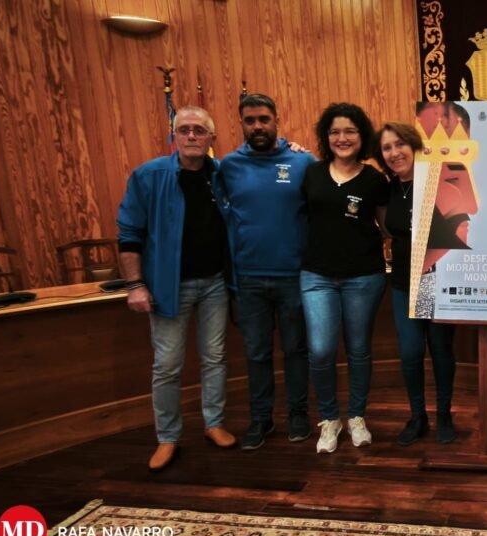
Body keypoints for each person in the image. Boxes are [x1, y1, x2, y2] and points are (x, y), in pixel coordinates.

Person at [116, 106, 236, 472]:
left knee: (214, 358)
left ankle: (214, 423)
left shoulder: (221, 175)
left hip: (215, 283)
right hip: (169, 287)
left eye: (199, 130)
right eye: (184, 130)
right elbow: (129, 233)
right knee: (167, 365)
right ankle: (167, 437)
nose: (191, 136)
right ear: (174, 136)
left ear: (212, 138)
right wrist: (135, 284)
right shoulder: (149, 176)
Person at [220, 94, 316, 450]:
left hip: (294, 276)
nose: (257, 126)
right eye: (250, 121)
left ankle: (298, 414)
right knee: (257, 354)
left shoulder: (303, 162)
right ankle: (261, 419)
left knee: (296, 350)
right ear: (241, 124)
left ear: (277, 120)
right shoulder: (227, 166)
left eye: (264, 119)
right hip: (248, 279)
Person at [301, 102, 389, 454]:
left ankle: (356, 416)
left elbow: (387, 227)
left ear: (361, 136)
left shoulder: (375, 179)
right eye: (335, 131)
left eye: (350, 131)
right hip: (316, 274)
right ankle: (329, 419)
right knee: (321, 350)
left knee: (358, 349)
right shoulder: (311, 173)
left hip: (363, 276)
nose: (342, 138)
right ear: (326, 137)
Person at [373, 122, 457, 445]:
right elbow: (387, 229)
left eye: (400, 144)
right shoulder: (388, 189)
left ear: (413, 145)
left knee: (440, 349)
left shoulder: (437, 180)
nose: (394, 153)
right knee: (410, 352)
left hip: (436, 277)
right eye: (387, 148)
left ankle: (444, 414)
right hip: (403, 281)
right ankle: (417, 416)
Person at [409, 101, 480, 319]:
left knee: (438, 332)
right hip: (418, 272)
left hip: (448, 272)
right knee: (418, 326)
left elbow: (472, 208)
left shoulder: (460, 169)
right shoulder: (412, 178)